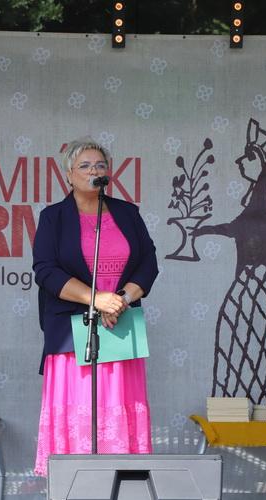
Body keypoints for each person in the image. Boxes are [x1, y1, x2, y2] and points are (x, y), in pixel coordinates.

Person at [32, 138, 159, 477]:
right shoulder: (53, 217)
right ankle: (74, 484)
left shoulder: (128, 214)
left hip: (120, 323)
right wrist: (96, 298)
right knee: (81, 410)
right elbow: (45, 271)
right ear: (69, 175)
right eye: (85, 166)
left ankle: (123, 484)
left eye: (100, 165)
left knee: (117, 407)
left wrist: (120, 300)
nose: (94, 171)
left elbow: (148, 263)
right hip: (71, 331)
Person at [193, 118, 266, 421]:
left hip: (262, 282)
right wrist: (207, 230)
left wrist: (205, 230)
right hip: (265, 282)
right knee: (262, 348)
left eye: (248, 156)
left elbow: (244, 228)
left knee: (253, 344)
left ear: (263, 161)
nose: (240, 162)